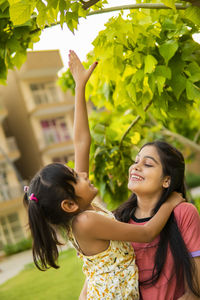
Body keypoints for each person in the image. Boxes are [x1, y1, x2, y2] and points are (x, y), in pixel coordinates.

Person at [23, 51, 183, 300]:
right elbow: (145, 233)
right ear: (69, 204)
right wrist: (171, 202)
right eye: (76, 178)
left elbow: (81, 142)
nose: (83, 175)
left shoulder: (81, 209)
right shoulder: (85, 221)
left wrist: (79, 88)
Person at [114, 141, 200, 300]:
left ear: (166, 180)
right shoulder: (118, 221)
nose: (136, 167)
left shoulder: (183, 213)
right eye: (135, 161)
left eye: (147, 164)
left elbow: (195, 292)